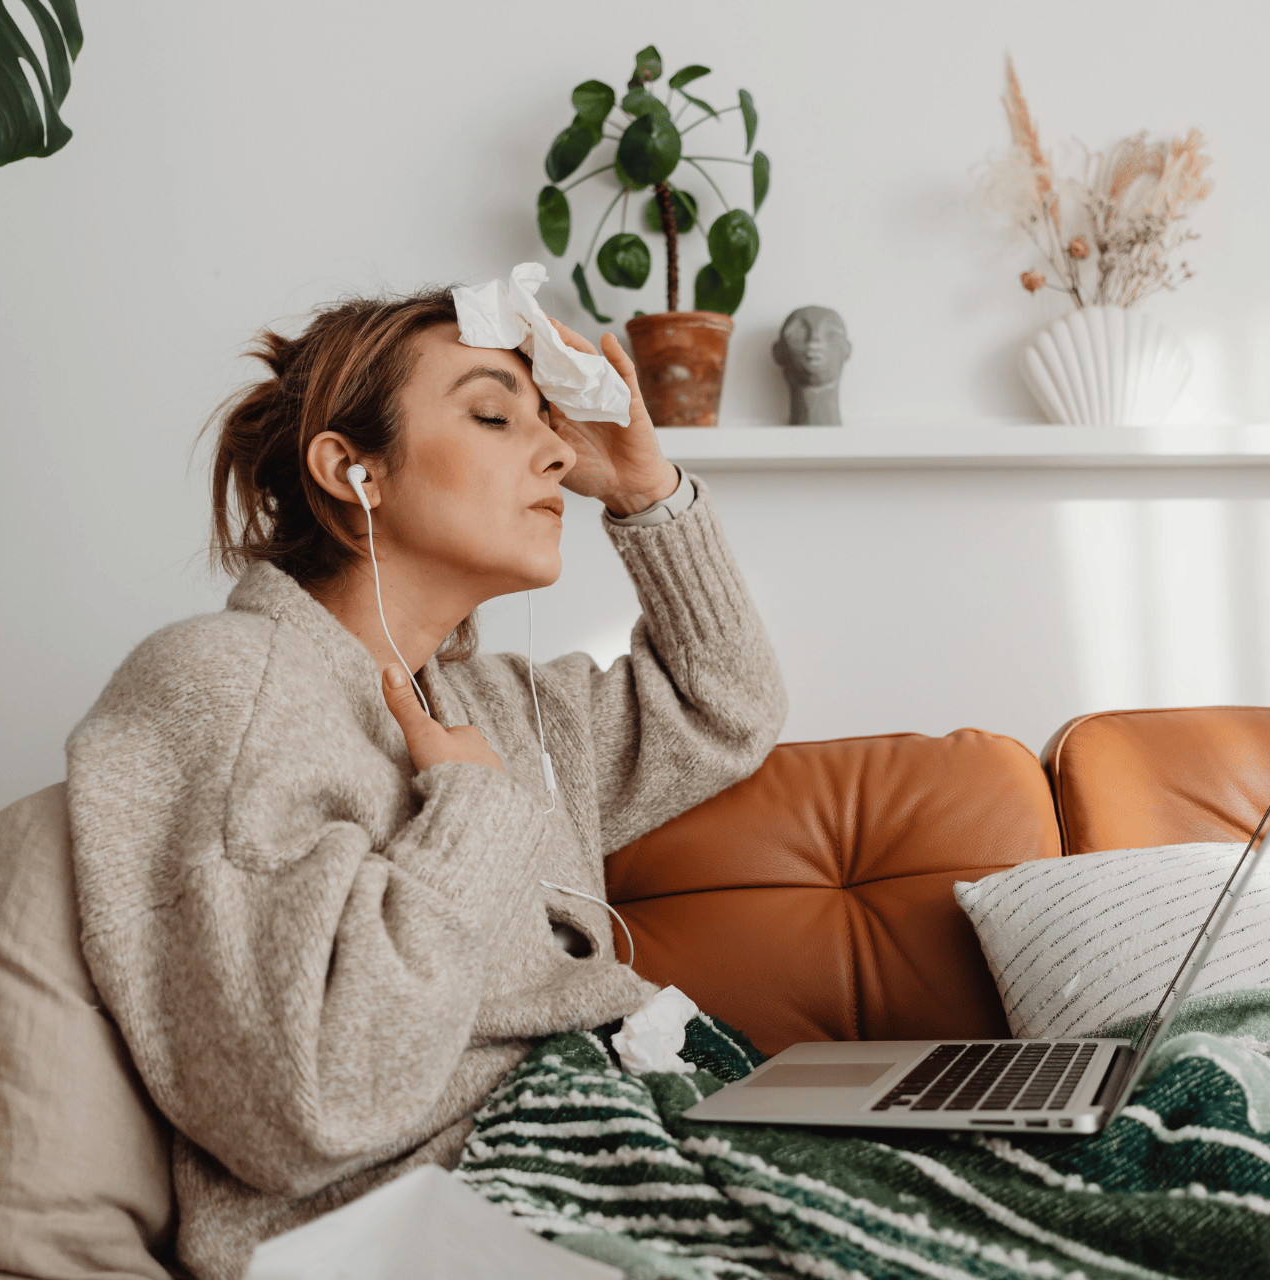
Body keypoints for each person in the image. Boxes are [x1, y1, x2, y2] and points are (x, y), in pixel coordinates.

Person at [65, 288, 787, 1280]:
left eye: (552, 424)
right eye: (495, 414)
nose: (556, 454)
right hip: (442, 1221)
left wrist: (644, 490)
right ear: (350, 466)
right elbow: (300, 1098)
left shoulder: (503, 704)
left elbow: (728, 706)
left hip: (632, 1140)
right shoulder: (220, 680)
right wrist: (473, 812)